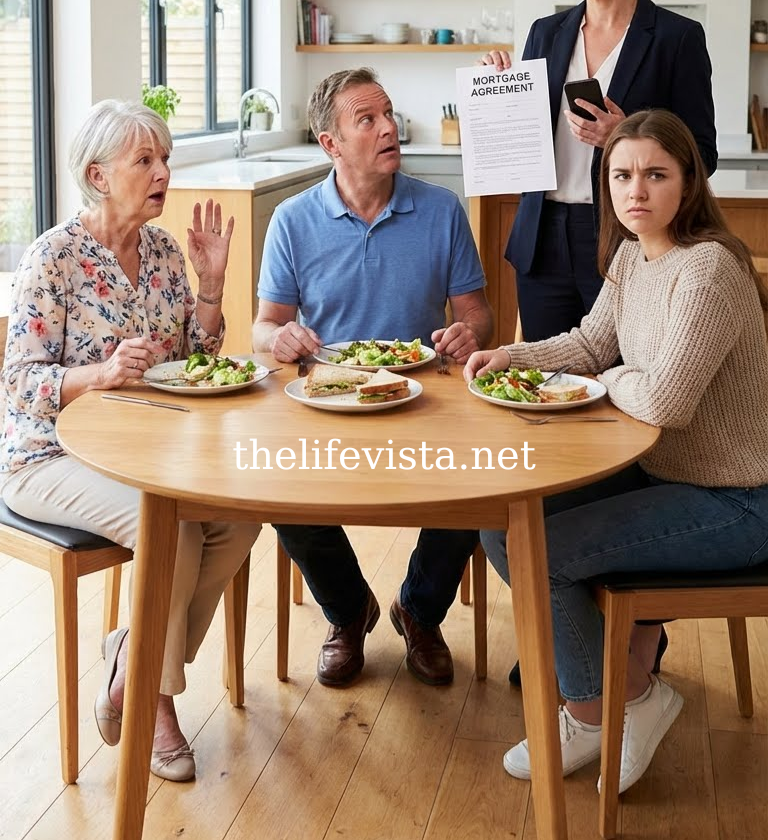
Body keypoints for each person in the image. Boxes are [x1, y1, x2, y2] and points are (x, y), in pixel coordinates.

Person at [464, 109, 768, 795]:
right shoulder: (636, 252)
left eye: (656, 174)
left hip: (739, 501)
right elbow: (592, 341)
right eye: (622, 174)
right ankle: (624, 691)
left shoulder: (709, 269)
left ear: (688, 182)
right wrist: (508, 354)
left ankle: (603, 710)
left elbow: (661, 400)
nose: (636, 190)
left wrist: (609, 380)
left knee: (546, 554)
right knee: (503, 526)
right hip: (664, 475)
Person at [0, 100, 261, 782]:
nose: (163, 171)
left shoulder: (166, 253)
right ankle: (157, 697)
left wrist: (209, 286)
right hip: (47, 456)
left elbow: (197, 356)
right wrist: (100, 374)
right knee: (169, 527)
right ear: (97, 173)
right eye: (144, 159)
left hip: (147, 451)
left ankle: (130, 656)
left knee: (239, 516)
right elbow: (20, 383)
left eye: (165, 157)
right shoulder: (52, 257)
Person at [253, 67, 493, 688]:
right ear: (331, 144)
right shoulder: (291, 219)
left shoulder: (441, 210)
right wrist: (278, 338)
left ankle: (419, 609)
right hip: (325, 398)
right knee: (274, 488)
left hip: (423, 398)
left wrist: (470, 334)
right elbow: (264, 328)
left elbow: (476, 314)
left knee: (483, 486)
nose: (390, 127)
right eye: (368, 119)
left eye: (388, 114)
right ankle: (347, 608)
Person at [485, 0, 717, 342]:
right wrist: (494, 88)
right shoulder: (546, 34)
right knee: (544, 388)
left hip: (627, 238)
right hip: (542, 239)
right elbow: (524, 135)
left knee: (621, 384)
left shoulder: (677, 37)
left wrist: (624, 136)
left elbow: (703, 156)